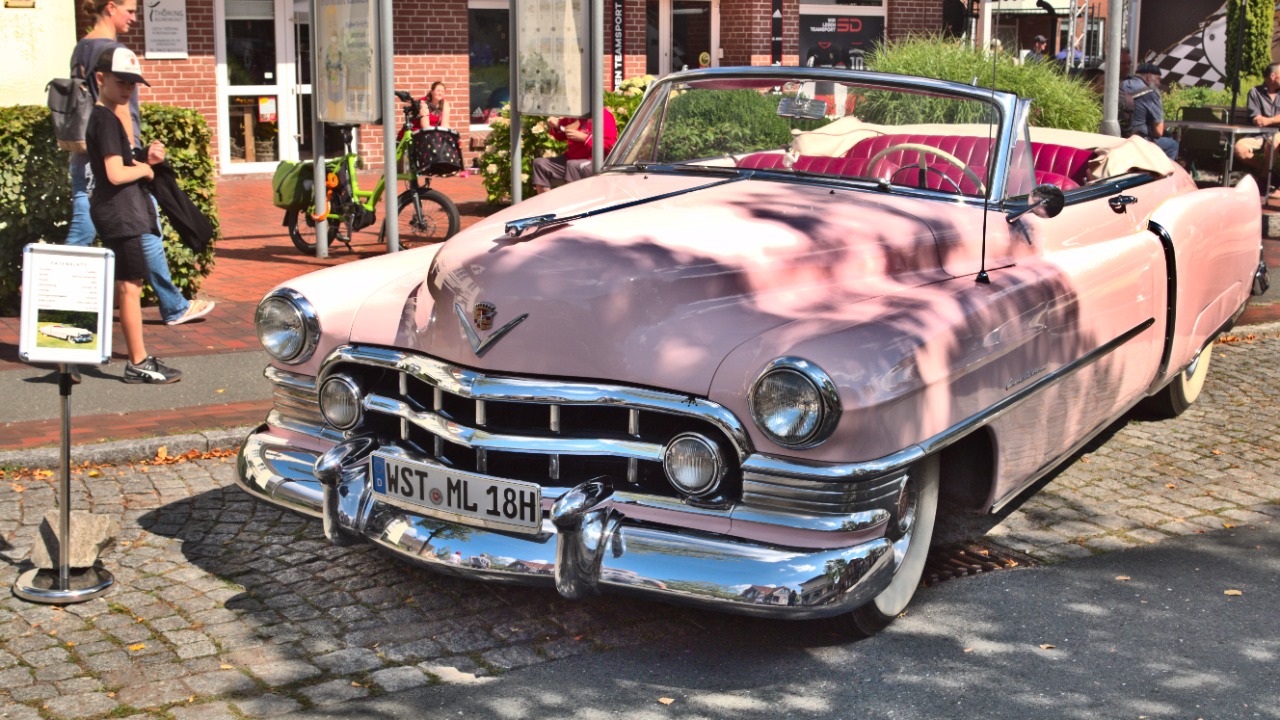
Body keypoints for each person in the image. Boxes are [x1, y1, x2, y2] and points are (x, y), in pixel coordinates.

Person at [66, 0, 214, 328]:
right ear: (110, 8)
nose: (134, 17)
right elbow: (116, 108)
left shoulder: (82, 47)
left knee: (133, 229)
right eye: (129, 10)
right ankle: (54, 298)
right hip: (109, 157)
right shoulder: (110, 52)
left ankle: (172, 303)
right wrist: (137, 155)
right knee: (118, 229)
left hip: (84, 155)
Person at [86, 46, 182, 384]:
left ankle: (135, 359)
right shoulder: (107, 120)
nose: (128, 89)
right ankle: (138, 362)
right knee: (130, 287)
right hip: (120, 213)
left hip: (116, 212)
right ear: (101, 79)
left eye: (133, 83)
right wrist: (145, 170)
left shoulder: (104, 118)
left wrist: (143, 158)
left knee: (127, 285)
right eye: (122, 82)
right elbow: (114, 173)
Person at [531, 109, 618, 193]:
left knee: (572, 165)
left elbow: (610, 144)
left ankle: (573, 204)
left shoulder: (603, 115)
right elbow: (560, 135)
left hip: (593, 161)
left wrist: (584, 138)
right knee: (539, 164)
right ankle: (546, 204)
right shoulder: (575, 115)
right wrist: (556, 125)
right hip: (571, 158)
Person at [1234, 62, 1280, 194]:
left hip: (1278, 133)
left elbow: (1264, 120)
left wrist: (1269, 120)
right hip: (1259, 133)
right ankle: (1270, 174)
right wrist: (1265, 121)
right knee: (1239, 149)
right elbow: (1256, 119)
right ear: (1273, 76)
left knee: (1272, 142)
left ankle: (1264, 181)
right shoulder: (1255, 92)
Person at [1122, 63, 1178, 160]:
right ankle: (1160, 174)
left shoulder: (1122, 84)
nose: (1159, 83)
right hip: (1138, 140)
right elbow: (1158, 132)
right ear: (1149, 77)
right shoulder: (1151, 94)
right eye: (1158, 79)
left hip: (1119, 134)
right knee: (1172, 145)